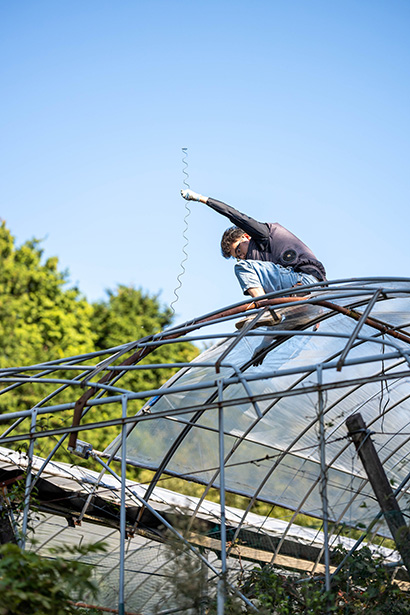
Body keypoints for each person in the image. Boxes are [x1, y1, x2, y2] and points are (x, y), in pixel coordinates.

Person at [181, 189, 326, 299]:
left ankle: (264, 308)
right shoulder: (264, 264)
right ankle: (269, 314)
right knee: (269, 334)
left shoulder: (263, 235)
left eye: (238, 250)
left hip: (307, 279)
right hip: (301, 287)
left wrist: (200, 198)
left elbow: (234, 215)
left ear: (246, 236)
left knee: (243, 268)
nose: (242, 256)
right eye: (237, 256)